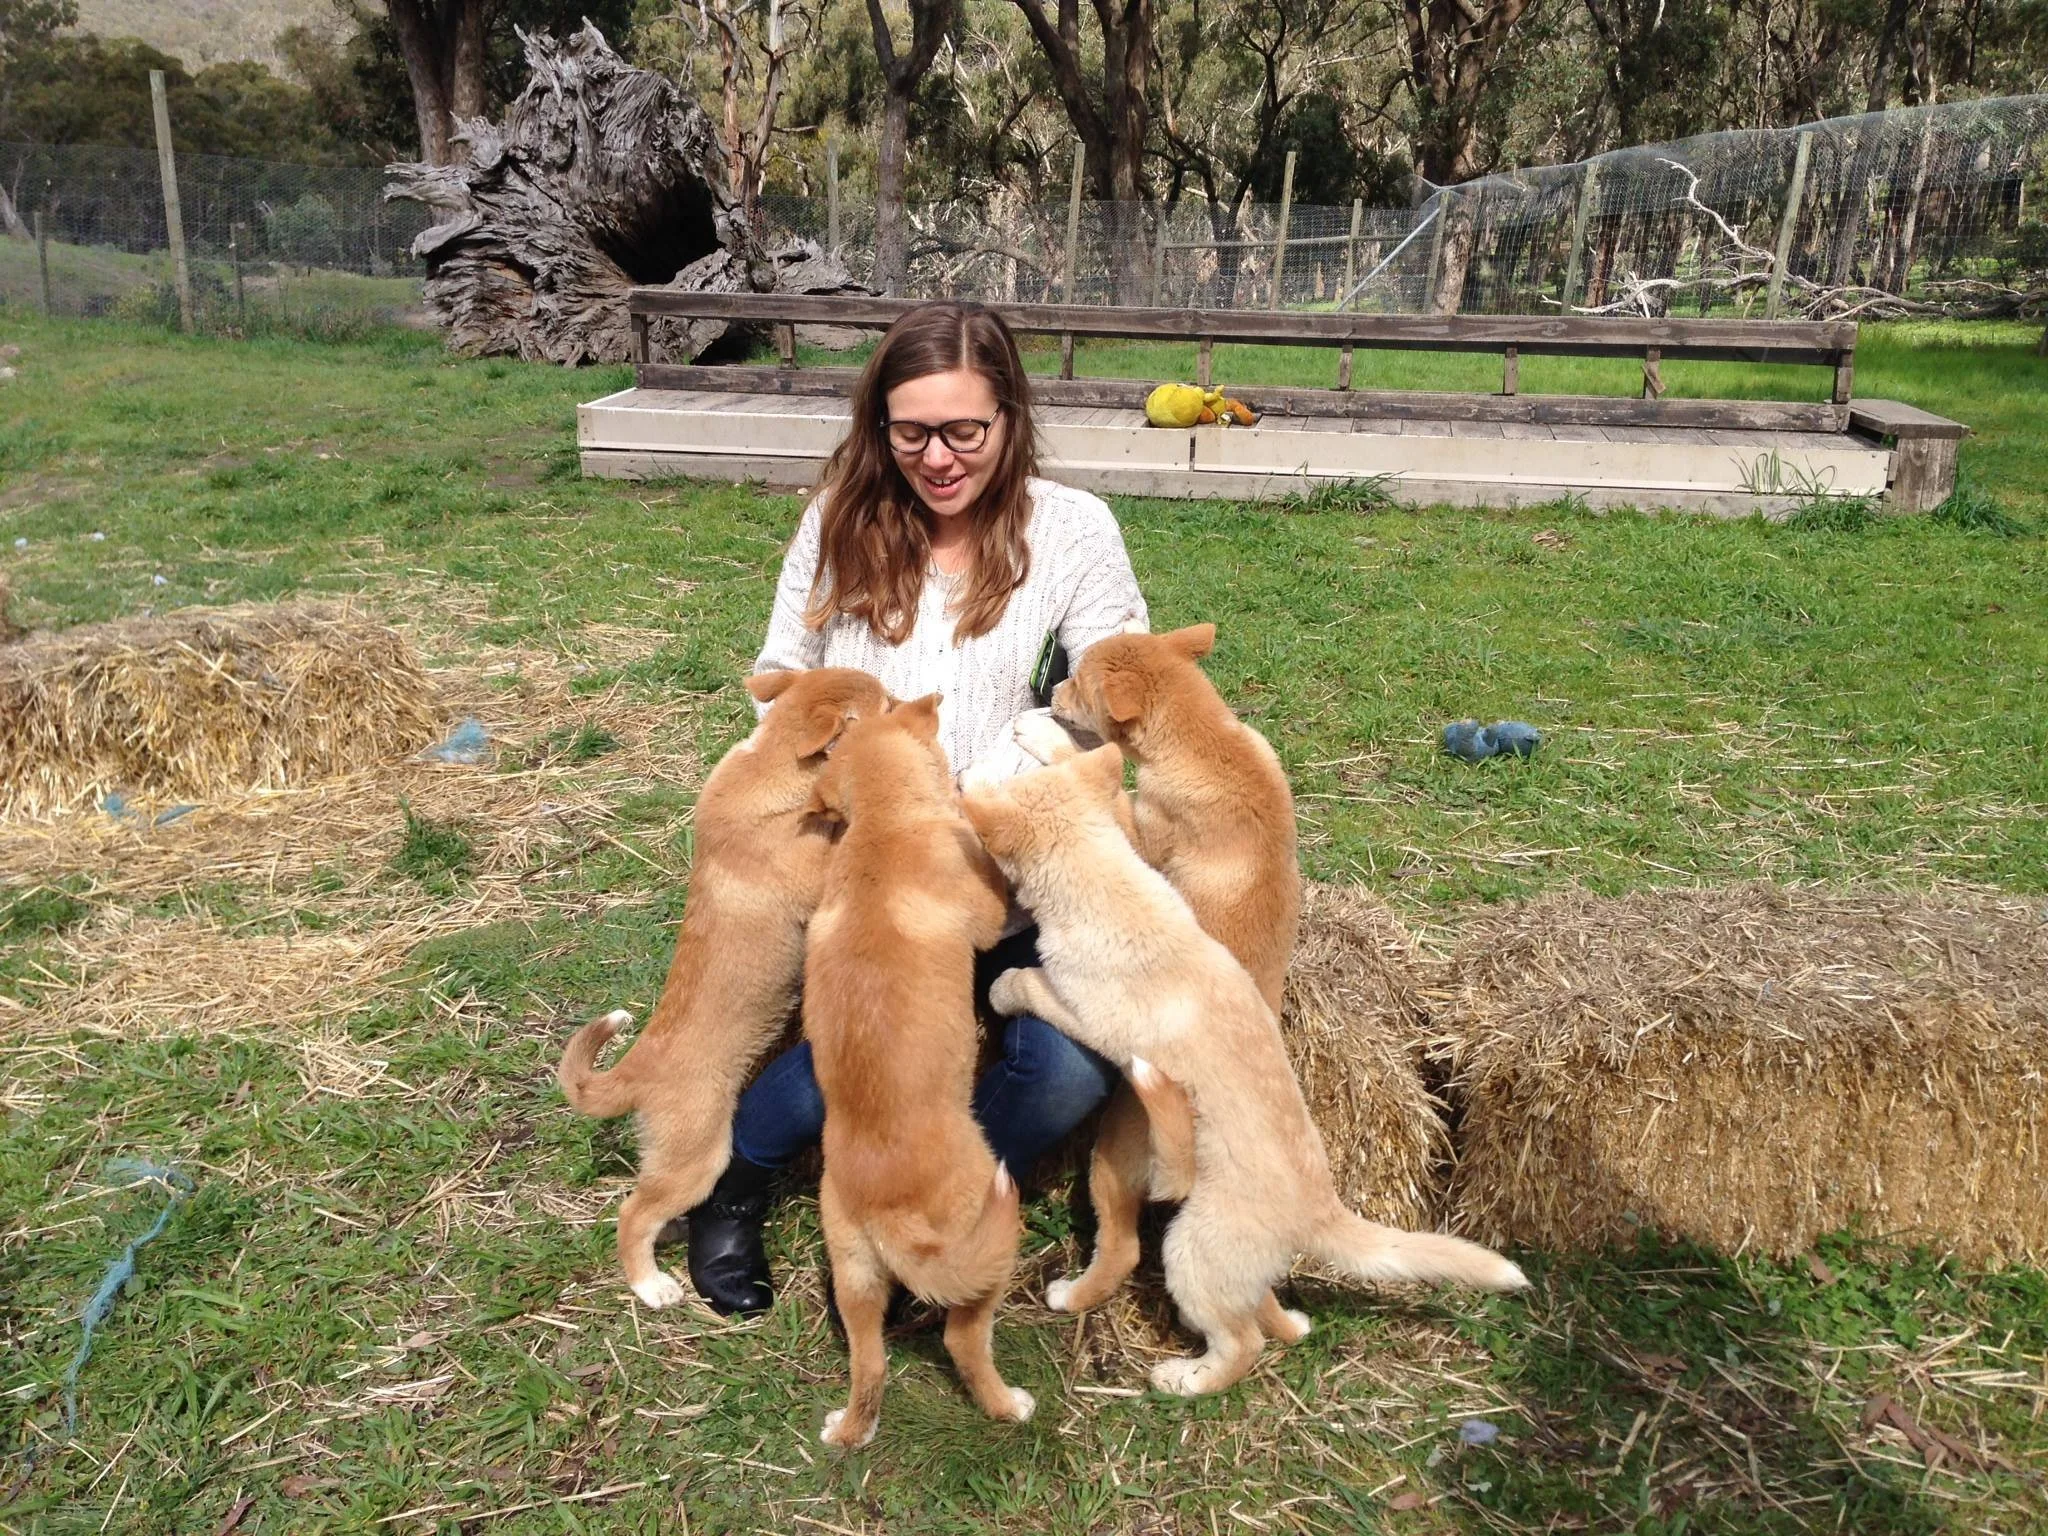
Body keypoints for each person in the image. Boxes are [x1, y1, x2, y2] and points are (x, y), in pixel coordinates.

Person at [679, 300, 1151, 1315]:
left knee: (1066, 1073)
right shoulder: (837, 524)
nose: (936, 457)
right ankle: (730, 1184)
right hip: (875, 865)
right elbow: (779, 671)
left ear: (1009, 419)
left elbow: (1109, 698)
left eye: (962, 431)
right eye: (910, 432)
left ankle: (939, 1214)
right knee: (844, 1060)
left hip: (1012, 869)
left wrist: (1000, 776)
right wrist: (847, 777)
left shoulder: (1072, 531)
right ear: (878, 426)